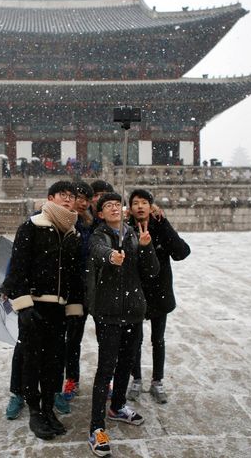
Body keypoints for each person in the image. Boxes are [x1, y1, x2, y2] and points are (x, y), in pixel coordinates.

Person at [1, 181, 84, 440]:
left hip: (58, 310)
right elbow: (17, 269)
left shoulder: (73, 233)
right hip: (34, 307)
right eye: (63, 195)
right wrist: (24, 308)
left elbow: (74, 277)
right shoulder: (32, 226)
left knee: (54, 363)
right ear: (50, 198)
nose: (68, 200)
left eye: (72, 196)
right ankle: (35, 411)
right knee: (32, 362)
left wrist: (73, 310)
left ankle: (49, 409)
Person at [86, 192, 159, 457]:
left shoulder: (133, 233)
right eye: (108, 206)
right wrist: (110, 257)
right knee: (105, 368)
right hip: (109, 313)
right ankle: (96, 427)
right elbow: (97, 252)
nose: (114, 208)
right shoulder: (99, 235)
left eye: (118, 205)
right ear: (101, 214)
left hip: (134, 311)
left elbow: (151, 271)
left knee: (127, 363)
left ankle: (117, 406)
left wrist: (146, 246)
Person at [125, 189, 191, 404]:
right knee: (135, 339)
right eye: (135, 203)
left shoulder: (160, 225)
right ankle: (136, 379)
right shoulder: (126, 228)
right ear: (130, 207)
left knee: (158, 339)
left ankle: (157, 380)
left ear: (151, 206)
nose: (140, 207)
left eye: (144, 202)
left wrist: (163, 225)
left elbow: (182, 252)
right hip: (135, 291)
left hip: (159, 291)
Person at [57, 181, 95, 411]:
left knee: (80, 337)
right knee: (69, 338)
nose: (81, 202)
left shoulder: (93, 224)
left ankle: (105, 381)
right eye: (78, 197)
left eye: (86, 199)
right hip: (66, 290)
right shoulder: (60, 221)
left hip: (89, 290)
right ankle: (70, 379)